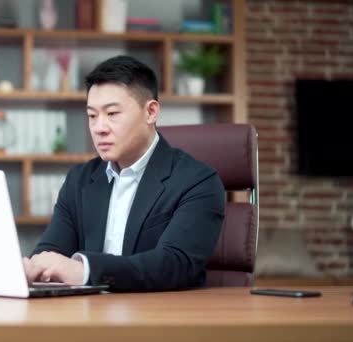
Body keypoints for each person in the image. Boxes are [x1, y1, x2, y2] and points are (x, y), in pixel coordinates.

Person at [22, 55, 226, 292]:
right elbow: (51, 251)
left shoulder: (197, 181)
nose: (99, 128)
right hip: (88, 317)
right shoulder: (80, 179)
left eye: (112, 114)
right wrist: (33, 267)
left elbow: (174, 264)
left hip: (160, 317)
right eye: (92, 116)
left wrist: (84, 270)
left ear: (150, 112)